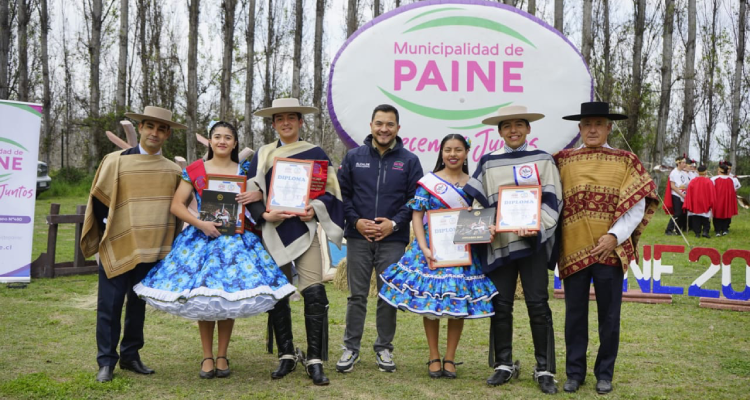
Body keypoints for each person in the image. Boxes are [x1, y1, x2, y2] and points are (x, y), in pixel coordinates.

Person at [133, 121, 296, 379]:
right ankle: (207, 355)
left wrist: (255, 197)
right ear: (209, 141)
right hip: (202, 241)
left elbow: (261, 196)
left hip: (237, 244)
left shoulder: (245, 170)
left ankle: (222, 355)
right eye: (217, 137)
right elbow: (177, 205)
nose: (222, 141)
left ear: (234, 143)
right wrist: (200, 223)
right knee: (205, 299)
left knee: (226, 297)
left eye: (227, 137)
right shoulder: (195, 169)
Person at [554, 102, 659, 395]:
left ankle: (605, 373)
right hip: (573, 248)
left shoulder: (626, 160)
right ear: (579, 128)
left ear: (609, 127)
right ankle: (574, 373)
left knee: (609, 316)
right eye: (587, 124)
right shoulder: (562, 160)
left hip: (608, 251)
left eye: (598, 123)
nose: (592, 129)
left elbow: (637, 205)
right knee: (574, 314)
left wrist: (614, 236)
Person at [378, 134, 497, 379]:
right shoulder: (428, 182)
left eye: (458, 150)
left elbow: (479, 217)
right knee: (431, 305)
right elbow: (416, 216)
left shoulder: (474, 184)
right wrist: (423, 248)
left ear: (466, 153)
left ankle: (450, 358)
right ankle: (433, 356)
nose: (452, 154)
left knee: (457, 302)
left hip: (462, 252)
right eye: (448, 150)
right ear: (441, 153)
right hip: (433, 250)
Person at [81, 106, 186, 383]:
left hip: (153, 247)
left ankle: (130, 355)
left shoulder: (173, 171)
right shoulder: (114, 162)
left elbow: (178, 208)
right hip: (118, 242)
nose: (155, 133)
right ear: (140, 128)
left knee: (138, 305)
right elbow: (100, 202)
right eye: (150, 126)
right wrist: (108, 235)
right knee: (110, 306)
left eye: (162, 128)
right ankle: (106, 361)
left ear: (167, 135)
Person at [464, 105, 563, 394]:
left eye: (519, 125)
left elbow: (553, 200)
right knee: (501, 304)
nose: (514, 130)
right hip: (499, 243)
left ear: (528, 129)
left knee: (538, 305)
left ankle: (544, 368)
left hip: (532, 243)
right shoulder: (489, 162)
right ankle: (503, 364)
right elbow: (478, 203)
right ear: (500, 131)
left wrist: (536, 226)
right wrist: (485, 227)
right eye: (507, 126)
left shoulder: (544, 160)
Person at [247, 98, 345, 386]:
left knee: (314, 292)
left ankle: (314, 360)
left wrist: (314, 208)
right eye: (280, 118)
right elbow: (251, 192)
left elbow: (331, 192)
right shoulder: (263, 153)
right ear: (274, 123)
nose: (286, 122)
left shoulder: (315, 153)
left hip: (305, 230)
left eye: (292, 117)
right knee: (278, 292)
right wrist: (265, 212)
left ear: (301, 121)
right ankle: (286, 354)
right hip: (273, 230)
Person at [335, 104, 423, 374]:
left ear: (398, 127)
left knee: (388, 296)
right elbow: (343, 195)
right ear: (371, 125)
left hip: (392, 239)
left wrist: (394, 223)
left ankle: (384, 348)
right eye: (379, 123)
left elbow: (415, 200)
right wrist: (356, 221)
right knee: (356, 296)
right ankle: (350, 348)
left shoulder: (409, 161)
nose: (384, 129)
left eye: (390, 124)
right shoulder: (353, 157)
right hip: (358, 237)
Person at [683, 165, 715, 238]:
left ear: (698, 172)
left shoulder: (693, 181)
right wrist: (711, 203)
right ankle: (705, 231)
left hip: (695, 203)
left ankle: (697, 233)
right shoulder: (708, 181)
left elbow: (689, 193)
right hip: (705, 203)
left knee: (696, 218)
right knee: (705, 219)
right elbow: (711, 193)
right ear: (705, 171)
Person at [711, 161, 740, 236]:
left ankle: (718, 230)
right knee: (726, 213)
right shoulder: (732, 179)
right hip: (727, 200)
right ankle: (724, 229)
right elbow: (735, 188)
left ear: (720, 171)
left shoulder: (714, 179)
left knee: (717, 213)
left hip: (718, 200)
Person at [663, 156, 689, 236]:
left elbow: (687, 184)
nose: (685, 164)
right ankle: (669, 229)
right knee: (677, 213)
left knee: (682, 214)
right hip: (676, 195)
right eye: (683, 162)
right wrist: (681, 194)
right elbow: (673, 186)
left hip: (683, 194)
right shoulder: (673, 173)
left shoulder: (684, 173)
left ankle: (677, 229)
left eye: (685, 162)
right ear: (678, 163)